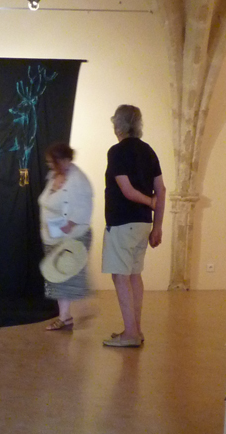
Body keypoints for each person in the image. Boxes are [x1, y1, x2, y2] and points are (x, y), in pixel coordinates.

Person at [101, 104, 165, 348]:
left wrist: (149, 202)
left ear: (119, 125)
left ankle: (130, 333)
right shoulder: (148, 151)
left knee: (121, 276)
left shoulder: (117, 152)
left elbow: (127, 190)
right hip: (142, 224)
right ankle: (135, 330)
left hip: (122, 223)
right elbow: (161, 190)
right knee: (134, 275)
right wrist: (157, 226)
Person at [38, 142, 94, 331]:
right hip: (53, 236)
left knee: (64, 277)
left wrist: (70, 223)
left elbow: (85, 207)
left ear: (63, 160)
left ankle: (65, 316)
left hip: (69, 236)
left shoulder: (78, 180)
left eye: (52, 161)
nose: (49, 165)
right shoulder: (53, 176)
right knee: (57, 276)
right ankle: (65, 316)